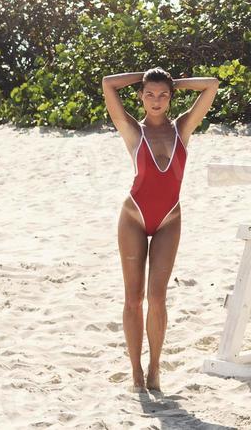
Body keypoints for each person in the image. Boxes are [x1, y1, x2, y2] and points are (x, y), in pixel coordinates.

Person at [102, 66, 219, 392]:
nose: (156, 100)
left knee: (157, 297)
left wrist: (171, 81)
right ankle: (136, 372)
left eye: (163, 95)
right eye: (149, 94)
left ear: (171, 97)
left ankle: (154, 369)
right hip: (134, 217)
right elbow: (108, 84)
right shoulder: (132, 131)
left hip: (169, 217)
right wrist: (150, 77)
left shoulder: (183, 127)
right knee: (133, 299)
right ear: (140, 96)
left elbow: (211, 86)